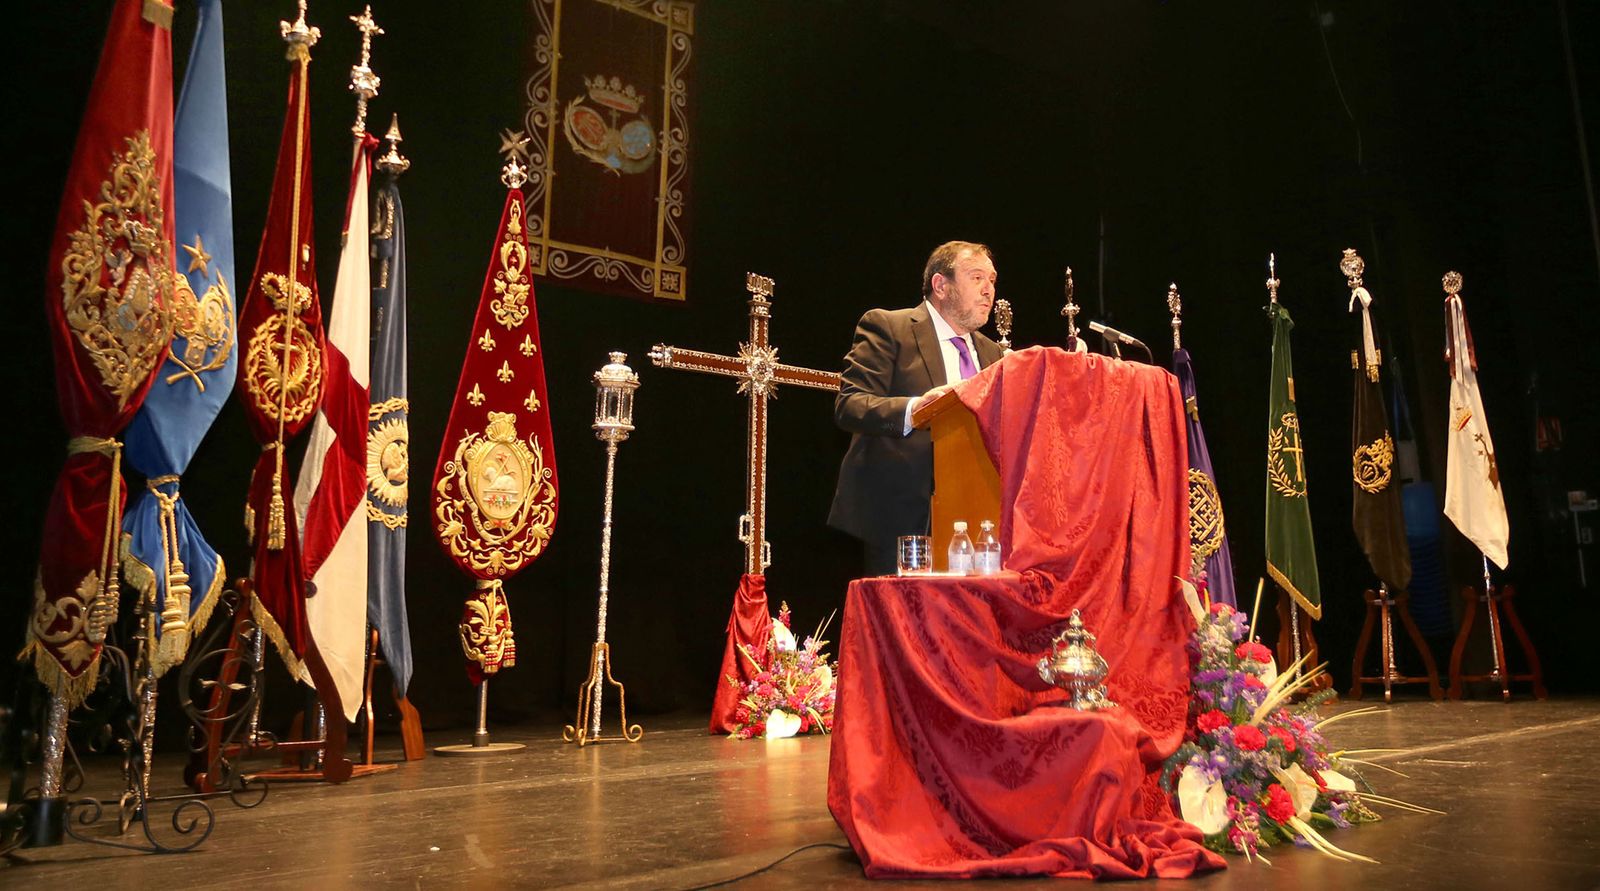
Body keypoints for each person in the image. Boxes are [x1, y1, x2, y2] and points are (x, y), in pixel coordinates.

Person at [828, 240, 1006, 576]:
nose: (989, 291)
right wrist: (916, 409)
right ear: (941, 285)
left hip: (978, 517)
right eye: (977, 278)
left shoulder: (993, 354)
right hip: (902, 519)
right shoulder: (889, 328)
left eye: (993, 280)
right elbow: (850, 404)